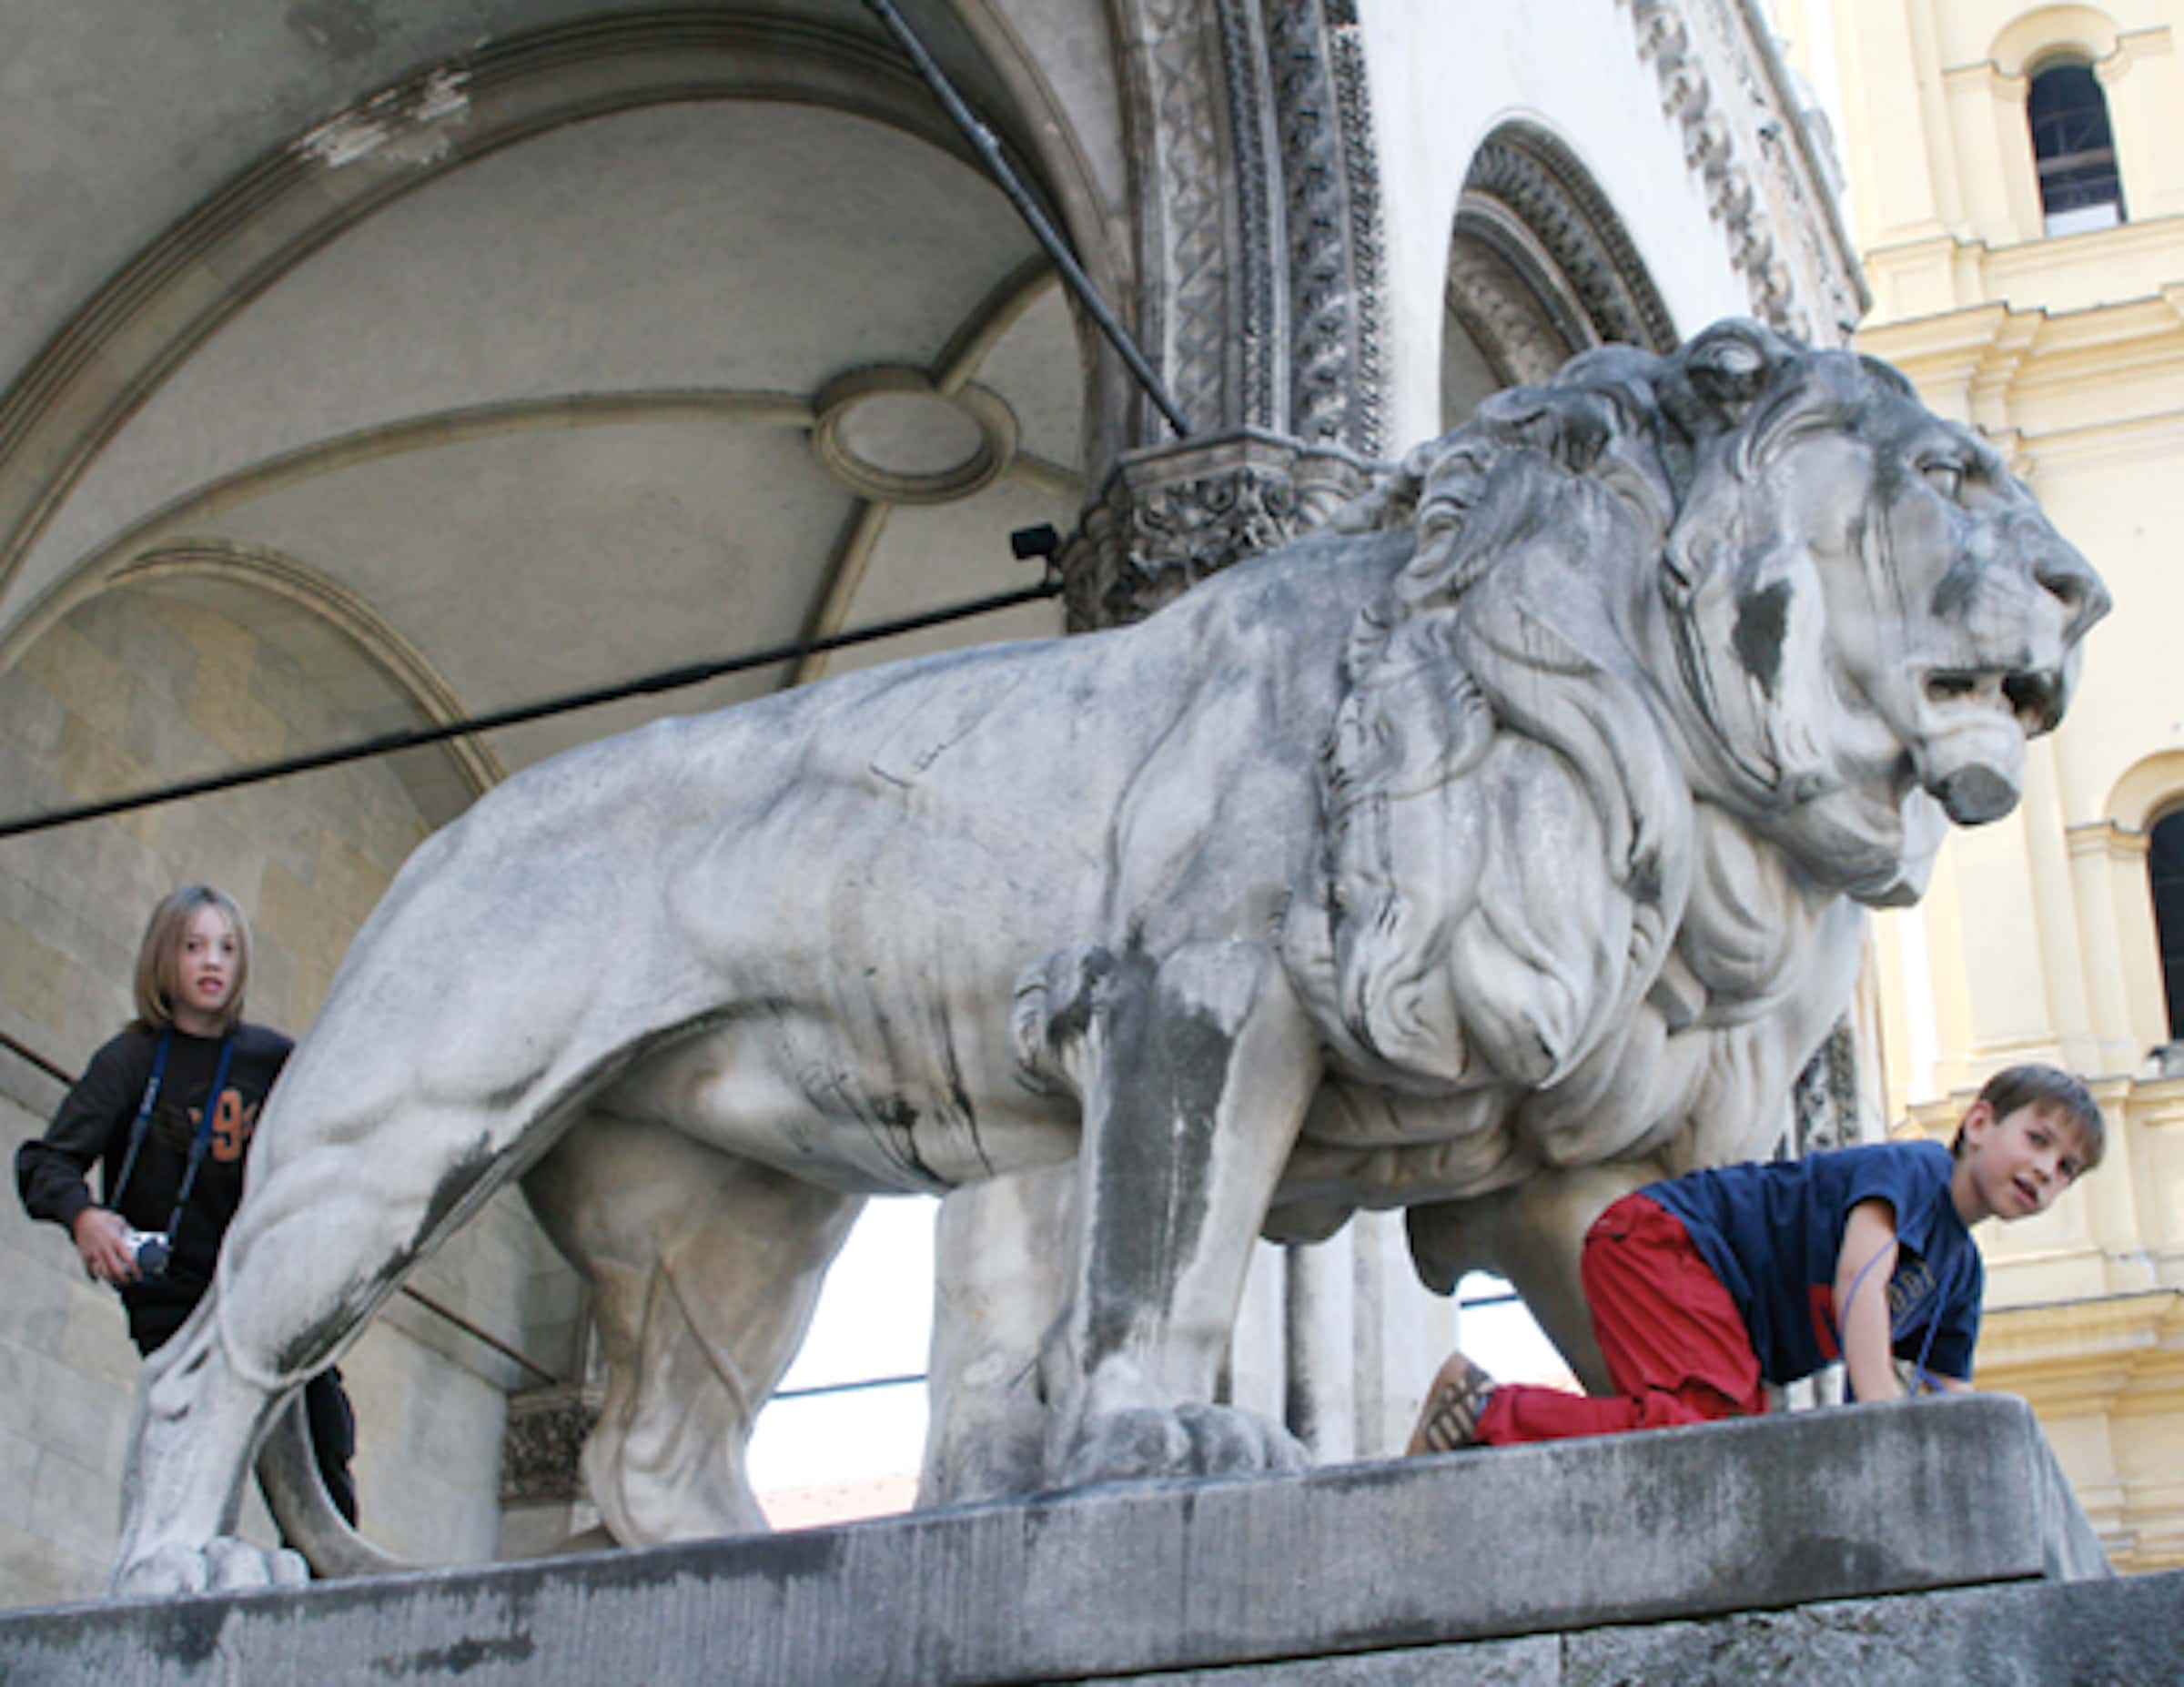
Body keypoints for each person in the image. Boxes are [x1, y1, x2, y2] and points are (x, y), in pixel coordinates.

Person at [1408, 1065, 2103, 1453]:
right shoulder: (1916, 1173)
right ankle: (1485, 1409)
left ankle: (1491, 1423)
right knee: (1702, 1427)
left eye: (2067, 1167)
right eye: (2038, 1140)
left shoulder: (1960, 1277)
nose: (2046, 1170)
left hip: (1719, 1307)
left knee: (1717, 1444)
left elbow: (1952, 1398)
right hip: (1668, 1243)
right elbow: (1861, 1278)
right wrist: (1880, 1419)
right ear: (1978, 1124)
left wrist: (1962, 1460)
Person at [15, 884, 359, 1524]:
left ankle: (326, 1586)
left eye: (227, 948)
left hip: (266, 1289)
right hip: (174, 1298)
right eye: (194, 946)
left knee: (324, 1436)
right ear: (163, 959)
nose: (212, 962)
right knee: (194, 1456)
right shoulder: (129, 1060)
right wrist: (85, 1219)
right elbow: (44, 1161)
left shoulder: (275, 1061)